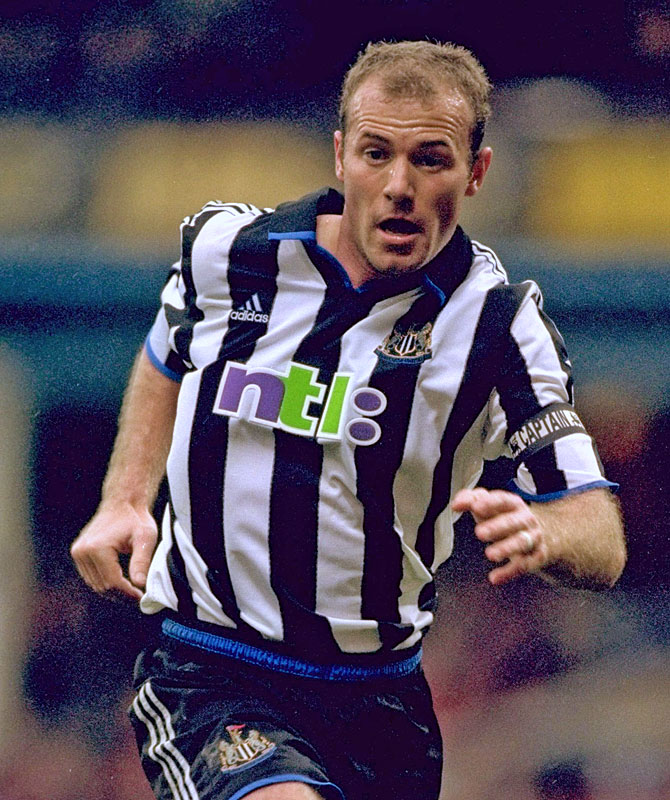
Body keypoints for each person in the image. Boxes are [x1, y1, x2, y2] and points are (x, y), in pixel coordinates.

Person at [71, 40, 626, 800]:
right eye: (376, 154)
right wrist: (124, 498)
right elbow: (168, 347)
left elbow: (600, 535)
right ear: (341, 156)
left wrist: (545, 532)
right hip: (214, 671)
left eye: (430, 159)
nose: (399, 186)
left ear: (476, 172)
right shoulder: (230, 255)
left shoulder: (498, 327)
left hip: (381, 703)